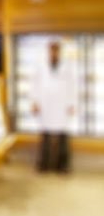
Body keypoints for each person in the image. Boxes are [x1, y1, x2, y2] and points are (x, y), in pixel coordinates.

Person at [31, 40, 77, 172]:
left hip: (62, 104)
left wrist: (72, 104)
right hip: (46, 104)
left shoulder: (67, 66)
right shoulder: (40, 65)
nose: (53, 52)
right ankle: (43, 164)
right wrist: (34, 102)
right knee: (45, 136)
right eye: (51, 49)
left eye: (56, 49)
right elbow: (35, 84)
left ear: (59, 51)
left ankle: (62, 166)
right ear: (48, 50)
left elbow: (72, 85)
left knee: (62, 137)